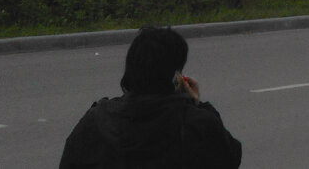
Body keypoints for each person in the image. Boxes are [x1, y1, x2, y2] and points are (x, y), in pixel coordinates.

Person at [60, 25, 242, 168]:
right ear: (176, 77)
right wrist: (196, 105)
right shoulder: (197, 124)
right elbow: (229, 159)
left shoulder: (96, 121)